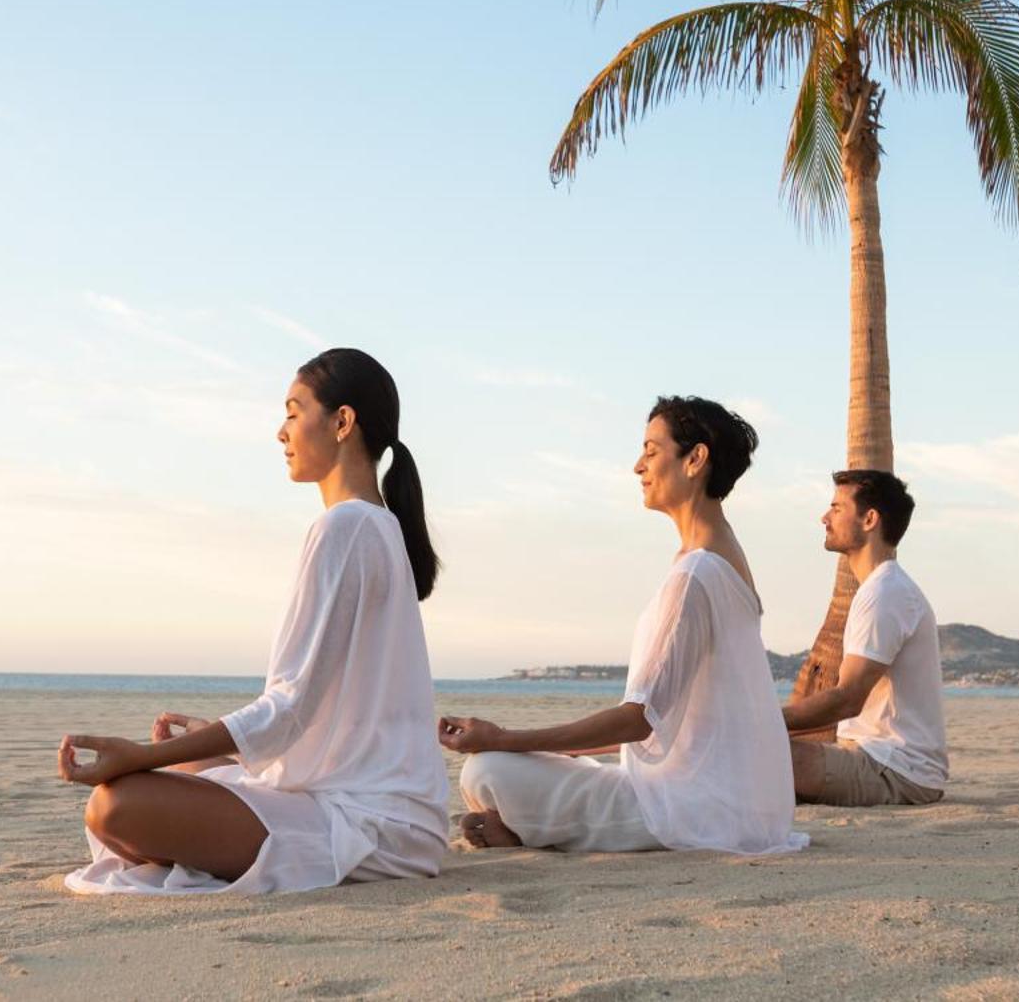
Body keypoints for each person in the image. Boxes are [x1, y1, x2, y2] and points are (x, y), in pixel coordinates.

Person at [59, 348, 451, 894]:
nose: (280, 432)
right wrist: (215, 744)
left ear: (342, 422)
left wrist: (142, 754)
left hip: (369, 823)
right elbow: (328, 710)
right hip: (392, 814)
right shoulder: (377, 527)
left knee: (115, 805)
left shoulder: (346, 528)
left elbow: (289, 708)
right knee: (183, 777)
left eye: (293, 412)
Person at [438, 397, 806, 859]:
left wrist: (502, 739)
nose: (638, 466)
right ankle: (523, 827)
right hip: (732, 806)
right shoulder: (725, 559)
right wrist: (541, 753)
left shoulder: (696, 573)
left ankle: (525, 829)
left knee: (484, 770)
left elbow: (639, 719)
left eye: (652, 451)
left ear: (695, 459)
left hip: (690, 811)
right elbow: (659, 721)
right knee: (520, 766)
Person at [783, 470, 949, 806]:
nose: (824, 517)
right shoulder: (882, 588)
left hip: (895, 770)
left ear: (869, 519)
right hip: (879, 760)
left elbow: (848, 698)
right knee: (751, 753)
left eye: (836, 508)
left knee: (748, 752)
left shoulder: (885, 592)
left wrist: (759, 720)